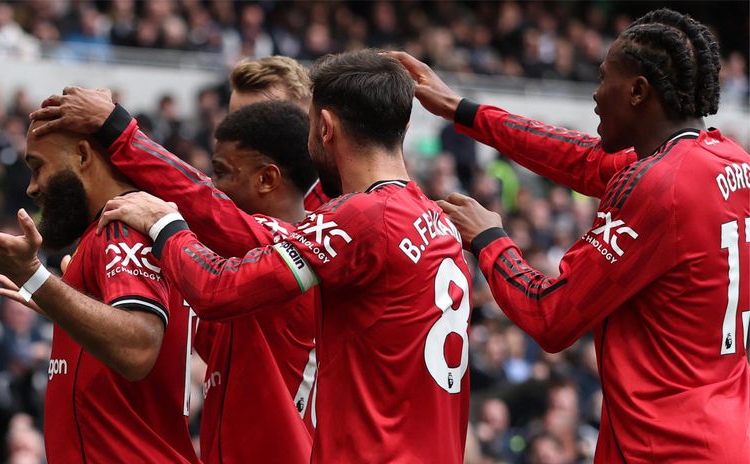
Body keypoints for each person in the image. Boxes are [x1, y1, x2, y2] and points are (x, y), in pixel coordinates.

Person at [58, 49, 473, 463]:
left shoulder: (357, 220)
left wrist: (164, 223)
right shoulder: (437, 222)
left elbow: (216, 287)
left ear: (323, 127)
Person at [391, 8, 750, 462]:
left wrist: (489, 239)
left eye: (604, 79)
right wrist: (462, 110)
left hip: (666, 446)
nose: (596, 96)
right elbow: (582, 158)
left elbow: (551, 315)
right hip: (724, 430)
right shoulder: (728, 159)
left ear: (638, 91)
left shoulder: (659, 186)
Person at [33, 96, 319, 463]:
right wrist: (74, 304)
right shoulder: (247, 279)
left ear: (267, 178)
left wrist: (118, 130)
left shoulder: (292, 246)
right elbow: (185, 324)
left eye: (221, 173)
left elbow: (204, 204)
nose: (214, 185)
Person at [0, 120, 199, 463]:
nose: (32, 188)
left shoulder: (122, 228)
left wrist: (33, 276)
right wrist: (58, 300)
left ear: (82, 155)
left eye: (38, 167)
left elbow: (138, 347)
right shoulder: (105, 235)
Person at [228, 55, 330, 210]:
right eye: (236, 122)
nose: (243, 137)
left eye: (263, 124)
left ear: (309, 120)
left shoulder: (339, 205)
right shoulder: (226, 197)